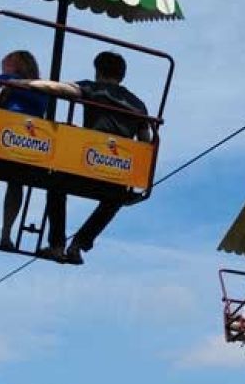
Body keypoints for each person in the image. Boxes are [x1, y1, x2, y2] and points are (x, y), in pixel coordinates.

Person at [10, 51, 152, 264]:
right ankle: (78, 245)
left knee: (55, 183)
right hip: (117, 172)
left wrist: (22, 83)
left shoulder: (93, 89)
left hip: (87, 166)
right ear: (122, 76)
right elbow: (145, 140)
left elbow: (58, 89)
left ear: (97, 72)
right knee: (115, 198)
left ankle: (57, 245)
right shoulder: (139, 105)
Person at [0, 50, 48, 250]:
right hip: (26, 142)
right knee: (16, 182)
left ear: (14, 65)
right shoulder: (41, 90)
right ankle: (6, 234)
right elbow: (40, 112)